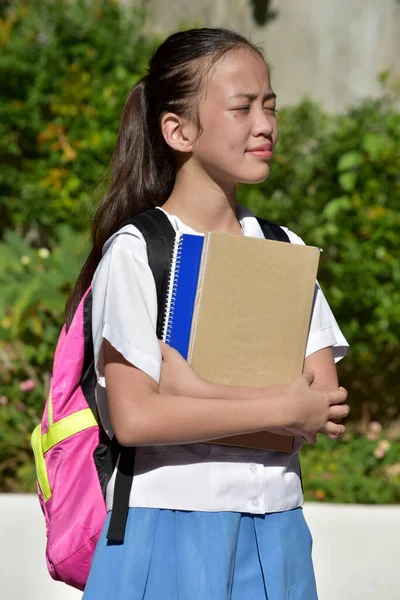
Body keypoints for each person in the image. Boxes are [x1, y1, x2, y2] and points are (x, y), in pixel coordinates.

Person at [70, 27, 349, 600]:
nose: (265, 125)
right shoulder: (137, 250)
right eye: (242, 108)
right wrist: (279, 406)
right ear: (178, 129)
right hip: (166, 525)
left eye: (269, 106)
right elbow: (136, 420)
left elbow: (321, 403)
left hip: (278, 530)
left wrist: (184, 385)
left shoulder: (285, 249)